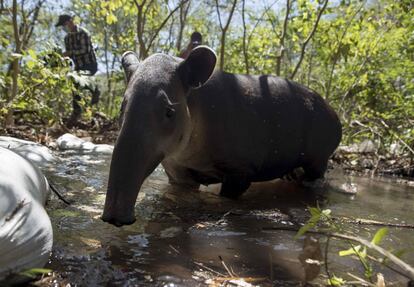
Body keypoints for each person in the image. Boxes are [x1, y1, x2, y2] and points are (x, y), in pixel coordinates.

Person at [56, 13, 100, 126]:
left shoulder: (83, 32)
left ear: (70, 21)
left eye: (64, 24)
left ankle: (95, 90)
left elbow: (85, 49)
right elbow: (69, 55)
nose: (64, 28)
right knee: (75, 86)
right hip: (78, 66)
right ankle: (76, 112)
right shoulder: (67, 38)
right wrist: (60, 58)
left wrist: (70, 53)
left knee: (83, 80)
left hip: (90, 63)